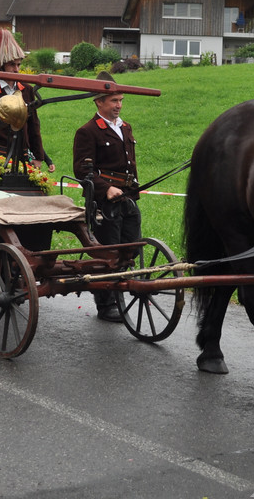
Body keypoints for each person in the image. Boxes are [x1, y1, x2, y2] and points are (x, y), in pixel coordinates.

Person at [72, 72, 140, 322]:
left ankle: (121, 292)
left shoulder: (125, 127)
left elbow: (130, 163)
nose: (119, 105)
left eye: (121, 100)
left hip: (127, 199)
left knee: (130, 248)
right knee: (107, 253)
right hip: (103, 202)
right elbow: (82, 170)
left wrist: (133, 190)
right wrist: (105, 189)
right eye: (114, 101)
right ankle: (106, 304)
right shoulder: (88, 131)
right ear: (99, 101)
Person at [0, 29, 53, 171]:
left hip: (23, 156)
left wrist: (38, 156)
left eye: (18, 65)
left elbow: (33, 126)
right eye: (12, 65)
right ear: (1, 65)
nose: (16, 69)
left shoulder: (26, 90)